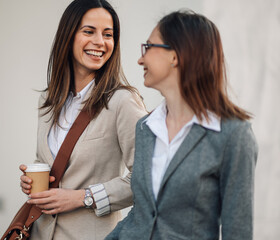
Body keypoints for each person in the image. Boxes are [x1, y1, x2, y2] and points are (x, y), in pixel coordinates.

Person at [106, 10, 258, 240]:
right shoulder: (146, 127)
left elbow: (237, 232)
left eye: (148, 47)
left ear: (175, 56)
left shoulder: (233, 135)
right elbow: (141, 215)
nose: (140, 59)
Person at [19, 0, 146, 239]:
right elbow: (47, 161)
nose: (100, 42)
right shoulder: (48, 100)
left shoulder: (122, 101)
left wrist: (82, 197)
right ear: (68, 36)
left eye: (108, 34)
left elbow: (147, 177)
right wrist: (31, 181)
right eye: (89, 31)